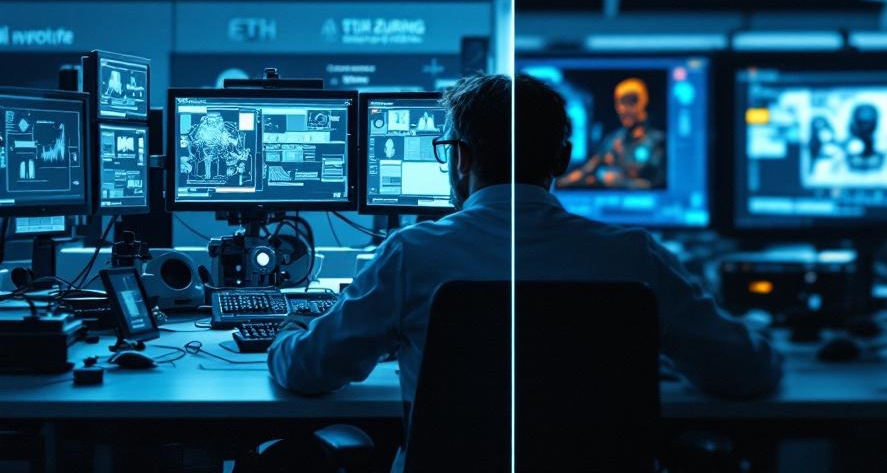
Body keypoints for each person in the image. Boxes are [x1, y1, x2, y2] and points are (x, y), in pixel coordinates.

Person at [267, 74, 782, 471]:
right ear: (563, 159)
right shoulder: (633, 256)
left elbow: (308, 372)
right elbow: (747, 372)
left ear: (460, 159)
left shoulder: (411, 254)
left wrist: (290, 330)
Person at [557, 77, 667, 189]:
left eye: (631, 102)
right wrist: (560, 184)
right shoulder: (614, 139)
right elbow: (589, 168)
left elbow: (657, 183)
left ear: (643, 102)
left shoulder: (658, 140)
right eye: (620, 103)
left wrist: (619, 177)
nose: (624, 109)